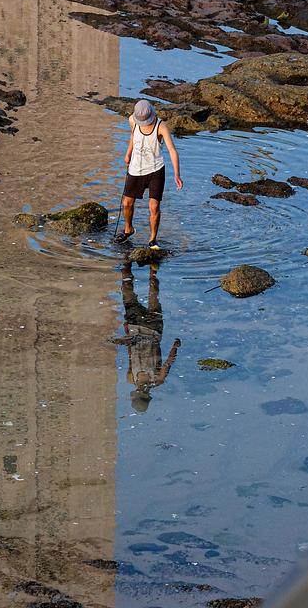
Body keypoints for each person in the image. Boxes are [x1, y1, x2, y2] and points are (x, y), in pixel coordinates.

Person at [117, 99, 182, 248]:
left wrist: (177, 174)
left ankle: (152, 239)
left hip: (156, 170)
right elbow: (133, 136)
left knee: (154, 207)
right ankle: (128, 229)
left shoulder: (161, 126)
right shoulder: (132, 121)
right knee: (127, 203)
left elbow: (172, 150)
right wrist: (128, 154)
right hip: (135, 169)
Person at [122, 260, 180, 413]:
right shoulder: (156, 379)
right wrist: (175, 347)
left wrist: (127, 336)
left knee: (135, 293)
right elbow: (167, 363)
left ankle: (128, 263)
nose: (141, 389)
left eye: (139, 392)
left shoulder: (132, 378)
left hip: (139, 329)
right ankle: (148, 267)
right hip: (150, 329)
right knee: (150, 293)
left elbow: (130, 358)